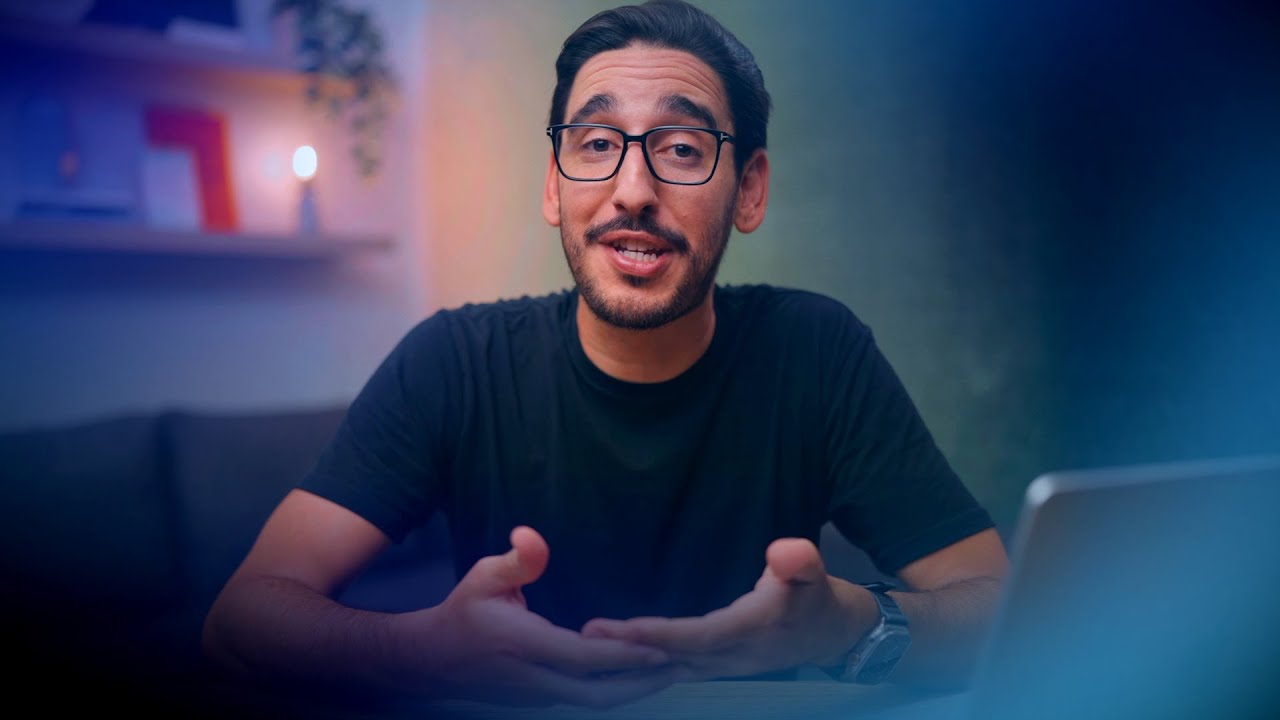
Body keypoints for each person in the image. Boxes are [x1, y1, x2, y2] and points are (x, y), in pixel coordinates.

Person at [202, 0, 1009, 711]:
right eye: (596, 143)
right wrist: (423, 652)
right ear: (555, 186)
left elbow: (1008, 608)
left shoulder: (817, 353)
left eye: (682, 148)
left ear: (749, 189)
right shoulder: (453, 362)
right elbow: (240, 620)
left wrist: (850, 624)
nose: (632, 190)